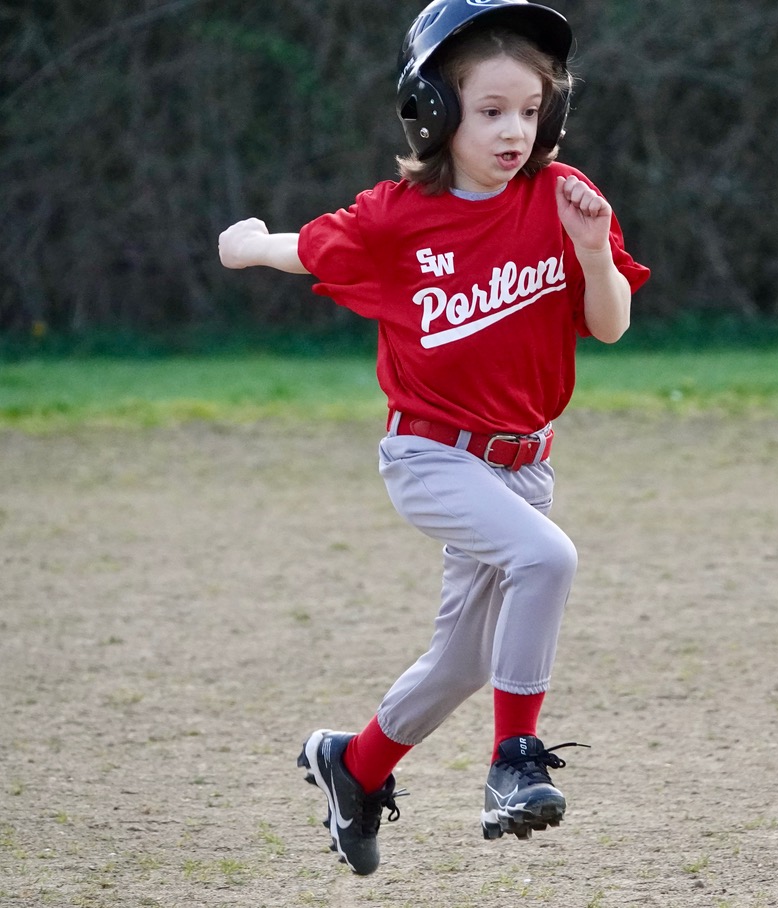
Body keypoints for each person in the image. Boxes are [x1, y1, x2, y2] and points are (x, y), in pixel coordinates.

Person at [217, 0, 649, 876]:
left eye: (532, 110)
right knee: (548, 561)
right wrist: (252, 246)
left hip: (524, 467)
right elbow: (315, 247)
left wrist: (594, 253)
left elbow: (608, 326)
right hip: (429, 454)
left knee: (461, 664)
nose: (514, 130)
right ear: (434, 110)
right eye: (490, 110)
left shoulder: (564, 201)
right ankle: (514, 762)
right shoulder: (399, 216)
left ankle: (356, 763)